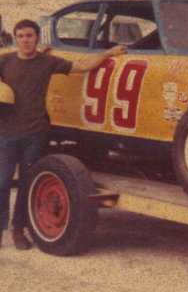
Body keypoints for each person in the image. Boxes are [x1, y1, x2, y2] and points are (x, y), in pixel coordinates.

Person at [0, 19, 127, 250]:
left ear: (37, 37)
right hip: (6, 133)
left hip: (35, 132)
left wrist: (108, 53)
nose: (25, 40)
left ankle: (19, 230)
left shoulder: (47, 62)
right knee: (2, 181)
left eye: (29, 36)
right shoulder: (5, 60)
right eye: (20, 36)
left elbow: (81, 66)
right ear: (15, 39)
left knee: (28, 182)